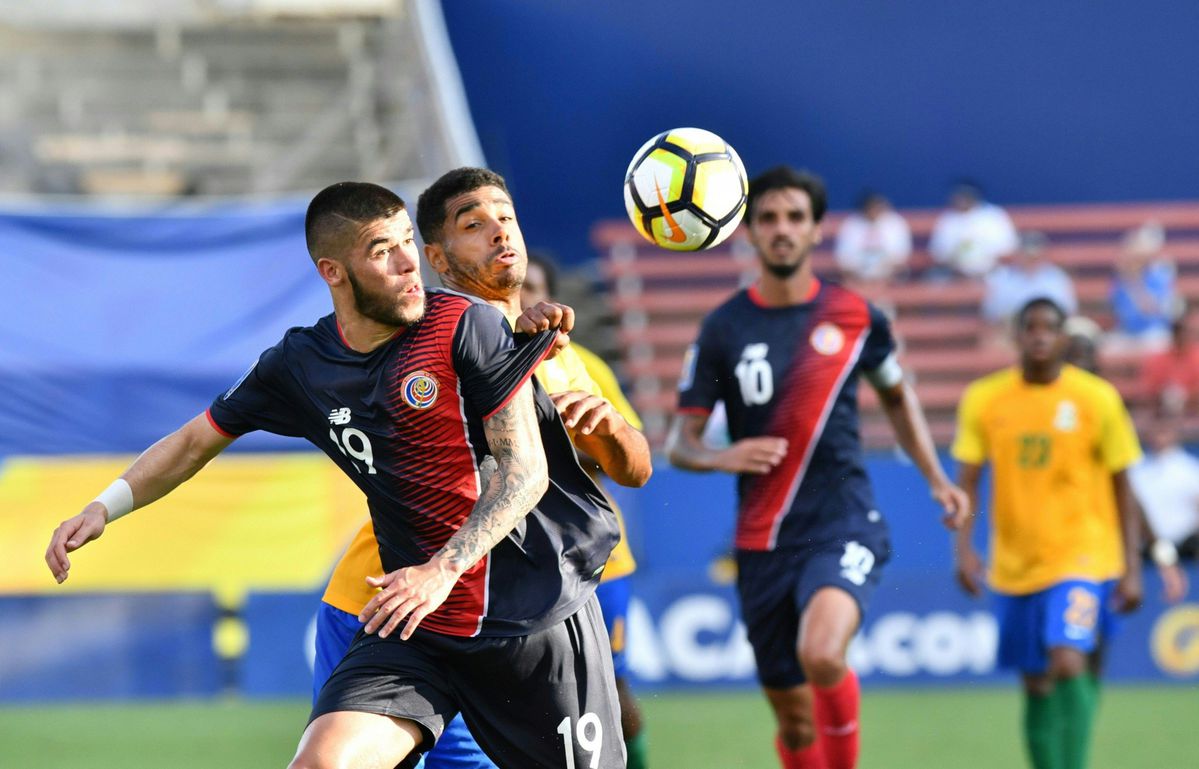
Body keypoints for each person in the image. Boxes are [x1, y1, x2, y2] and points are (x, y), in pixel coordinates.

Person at [46, 179, 629, 769]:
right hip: (416, 625)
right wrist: (103, 507)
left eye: (409, 242)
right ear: (333, 272)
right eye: (383, 251)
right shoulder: (299, 364)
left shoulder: (465, 325)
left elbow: (525, 472)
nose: (408, 265)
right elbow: (196, 440)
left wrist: (442, 569)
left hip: (531, 616)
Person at [314, 175, 652, 769]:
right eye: (474, 224)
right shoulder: (415, 337)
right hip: (389, 601)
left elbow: (635, 470)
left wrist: (608, 427)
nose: (500, 231)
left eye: (508, 217)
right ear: (436, 259)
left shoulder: (564, 358)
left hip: (510, 617)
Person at [666, 166, 969, 769]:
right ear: (748, 231)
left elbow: (897, 394)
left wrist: (937, 478)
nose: (782, 230)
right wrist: (723, 456)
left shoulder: (856, 316)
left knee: (823, 654)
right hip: (762, 539)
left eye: (795, 218)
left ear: (815, 230)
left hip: (844, 521)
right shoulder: (724, 328)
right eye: (769, 219)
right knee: (795, 720)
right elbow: (681, 443)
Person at [952, 297, 1146, 769]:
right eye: (1030, 327)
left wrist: (1133, 567)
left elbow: (1124, 485)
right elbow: (969, 481)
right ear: (1017, 336)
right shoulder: (985, 398)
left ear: (1063, 337)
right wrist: (964, 550)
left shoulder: (1096, 398)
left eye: (1050, 327)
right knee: (1035, 682)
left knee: (1067, 659)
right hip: (1017, 562)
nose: (1040, 336)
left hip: (1083, 555)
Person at [522, 251, 651, 769]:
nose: (525, 297)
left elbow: (627, 453)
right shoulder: (474, 355)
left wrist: (575, 441)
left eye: (535, 288)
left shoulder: (584, 366)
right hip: (522, 558)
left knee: (614, 699)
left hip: (596, 559)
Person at [1129, 416, 1199, 562]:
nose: (1159, 436)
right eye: (1155, 431)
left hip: (1186, 552)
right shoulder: (1135, 469)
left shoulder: (1191, 469)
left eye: (1164, 431)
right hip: (1145, 552)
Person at [981, 231, 1077, 331]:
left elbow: (1067, 310)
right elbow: (992, 313)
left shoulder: (1057, 278)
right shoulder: (1002, 277)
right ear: (1018, 254)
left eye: (1035, 255)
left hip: (1049, 330)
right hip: (1010, 330)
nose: (1031, 259)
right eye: (1027, 254)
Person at [927, 180, 1019, 278]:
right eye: (958, 196)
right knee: (935, 278)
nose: (961, 200)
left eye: (966, 196)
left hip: (991, 271)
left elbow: (1008, 247)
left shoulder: (993, 215)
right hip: (955, 274)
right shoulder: (947, 218)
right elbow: (937, 252)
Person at [1109, 222, 1177, 351]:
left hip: (1154, 333)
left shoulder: (1159, 274)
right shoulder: (1120, 278)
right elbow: (1116, 308)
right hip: (1125, 333)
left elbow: (1151, 309)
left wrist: (1134, 281)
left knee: (1158, 346)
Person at [833, 191, 911, 285]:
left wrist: (882, 270)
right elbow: (844, 257)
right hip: (857, 275)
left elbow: (900, 255)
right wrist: (861, 271)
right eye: (871, 208)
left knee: (902, 274)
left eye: (877, 207)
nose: (874, 211)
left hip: (889, 274)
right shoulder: (851, 224)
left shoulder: (895, 222)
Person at [1140, 307, 1199, 415]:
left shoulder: (1196, 357)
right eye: (1179, 333)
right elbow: (1150, 389)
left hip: (1193, 413)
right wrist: (1165, 394)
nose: (1183, 337)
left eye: (1186, 333)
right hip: (1164, 413)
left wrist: (1187, 396)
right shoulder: (1159, 360)